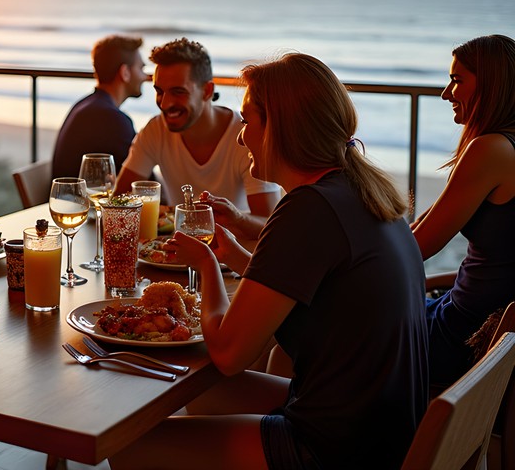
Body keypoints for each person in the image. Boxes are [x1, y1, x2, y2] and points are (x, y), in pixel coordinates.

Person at [111, 53, 428, 470]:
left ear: (280, 126)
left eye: (248, 121)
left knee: (130, 446)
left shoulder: (307, 210)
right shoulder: (359, 191)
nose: (241, 138)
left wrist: (207, 264)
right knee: (198, 391)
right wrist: (239, 258)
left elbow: (227, 352)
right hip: (382, 424)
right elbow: (316, 286)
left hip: (336, 448)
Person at [413, 34, 515, 388]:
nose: (446, 94)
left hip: (461, 337)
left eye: (456, 80)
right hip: (477, 319)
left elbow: (417, 247)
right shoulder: (503, 147)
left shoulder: (491, 150)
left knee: (319, 338)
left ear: (490, 85)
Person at [115, 38, 280, 239]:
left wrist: (236, 217)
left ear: (207, 91)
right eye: (159, 91)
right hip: (176, 255)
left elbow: (270, 224)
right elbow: (119, 200)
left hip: (233, 263)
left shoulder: (245, 136)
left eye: (178, 92)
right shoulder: (155, 130)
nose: (165, 104)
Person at [51, 34, 149, 179]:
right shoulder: (112, 119)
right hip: (82, 201)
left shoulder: (85, 105)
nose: (145, 77)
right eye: (141, 68)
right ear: (125, 73)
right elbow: (144, 180)